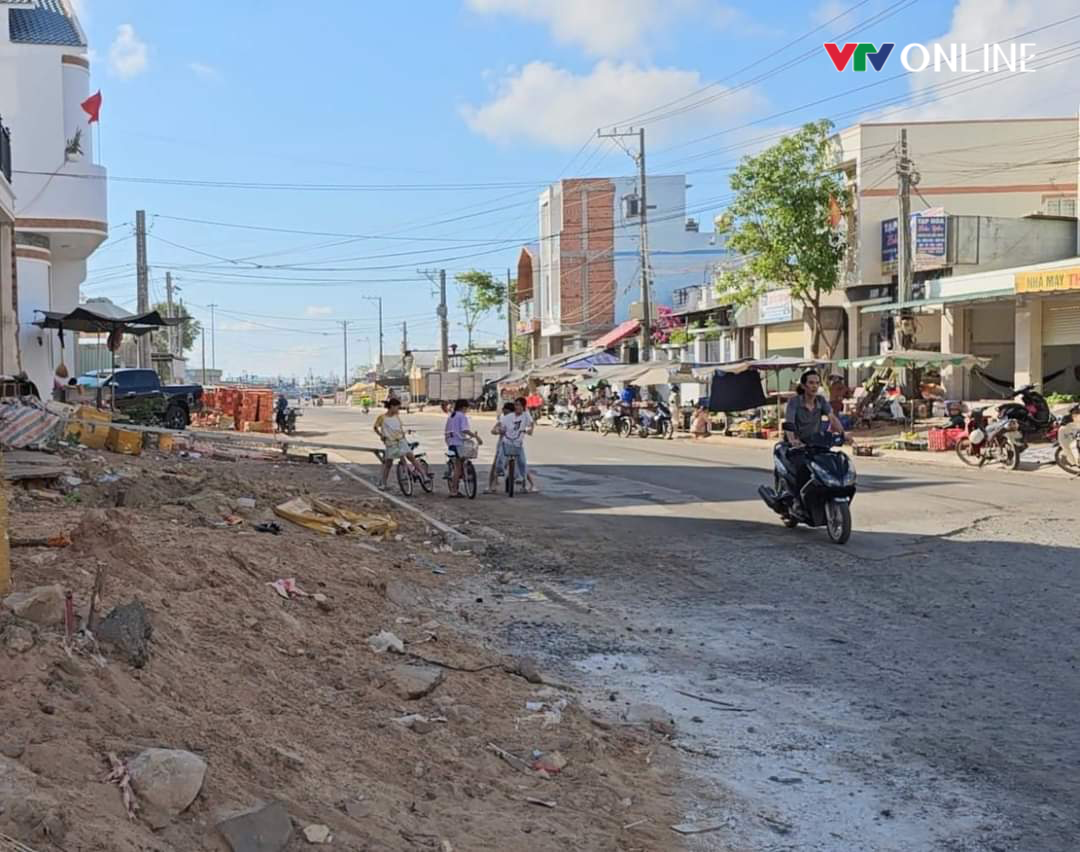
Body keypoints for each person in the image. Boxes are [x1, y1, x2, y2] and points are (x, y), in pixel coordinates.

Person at [783, 370, 846, 498]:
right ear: (803, 386)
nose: (814, 386)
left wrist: (844, 434)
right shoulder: (794, 402)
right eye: (811, 383)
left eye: (817, 383)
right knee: (801, 472)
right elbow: (789, 423)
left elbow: (832, 418)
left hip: (815, 443)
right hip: (797, 446)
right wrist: (793, 440)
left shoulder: (821, 401)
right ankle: (796, 501)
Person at [373, 398, 426, 490]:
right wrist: (381, 436)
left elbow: (400, 429)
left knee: (411, 457)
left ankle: (424, 476)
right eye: (397, 407)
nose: (398, 410)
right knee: (388, 464)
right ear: (392, 407)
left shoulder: (397, 416)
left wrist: (405, 439)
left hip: (401, 441)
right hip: (390, 443)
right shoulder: (382, 417)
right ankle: (383, 483)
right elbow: (375, 427)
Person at [444, 398, 482, 497]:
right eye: (467, 408)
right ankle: (454, 491)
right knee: (458, 467)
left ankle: (454, 486)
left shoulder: (451, 416)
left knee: (458, 464)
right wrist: (476, 437)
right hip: (458, 443)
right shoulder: (462, 416)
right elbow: (465, 430)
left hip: (451, 443)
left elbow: (447, 431)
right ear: (464, 407)